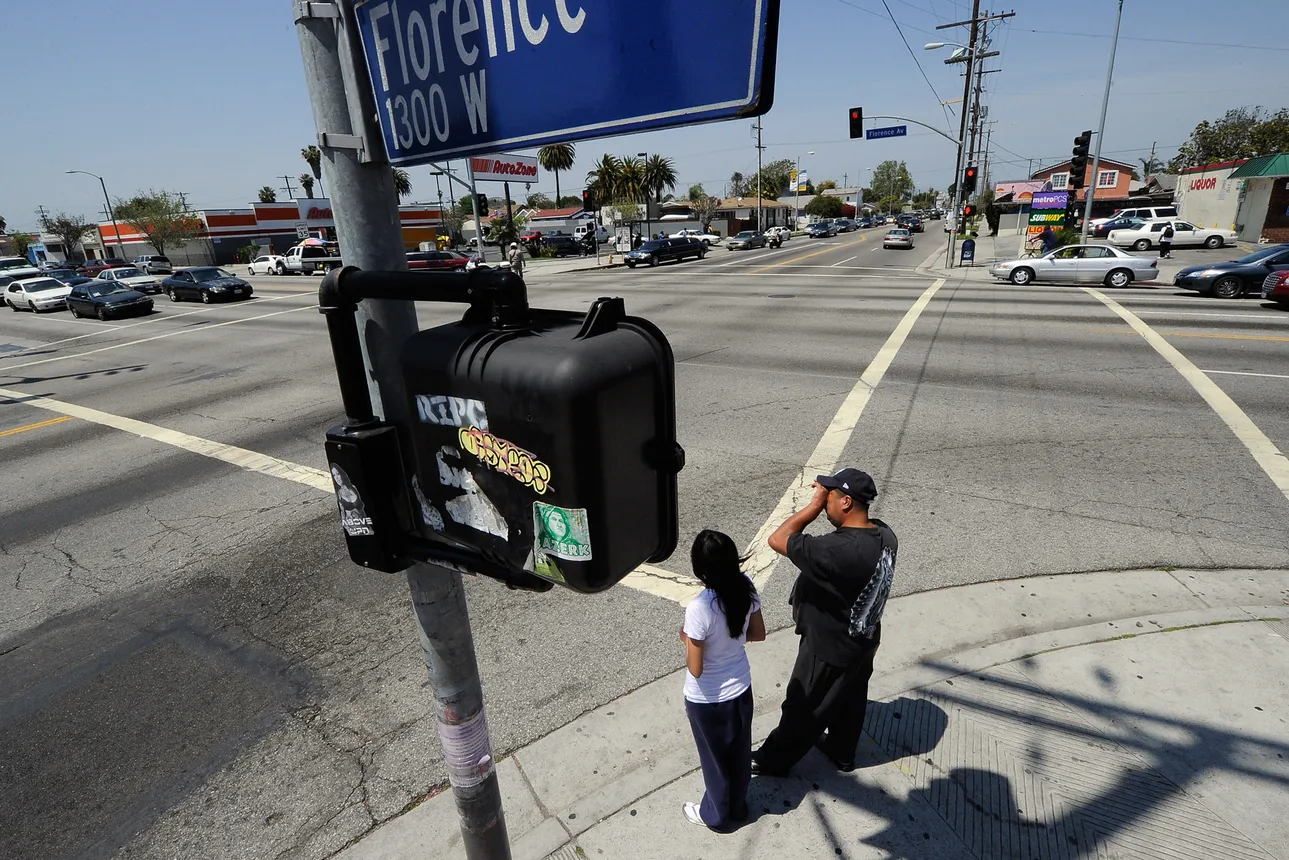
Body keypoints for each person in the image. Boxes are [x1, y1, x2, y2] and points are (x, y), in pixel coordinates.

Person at [752, 468, 898, 777]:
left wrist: (813, 507)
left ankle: (773, 761)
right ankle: (842, 753)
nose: (824, 499)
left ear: (846, 501)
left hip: (828, 648)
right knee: (850, 700)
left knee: (801, 707)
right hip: (864, 639)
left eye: (829, 495)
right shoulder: (885, 534)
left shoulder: (835, 551)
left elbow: (778, 539)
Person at [681, 530, 766, 831]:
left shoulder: (699, 607)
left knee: (715, 762)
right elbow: (757, 634)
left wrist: (686, 639)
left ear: (700, 570)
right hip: (741, 687)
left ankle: (715, 816)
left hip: (707, 700)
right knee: (739, 753)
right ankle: (739, 806)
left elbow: (695, 668)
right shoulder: (746, 587)